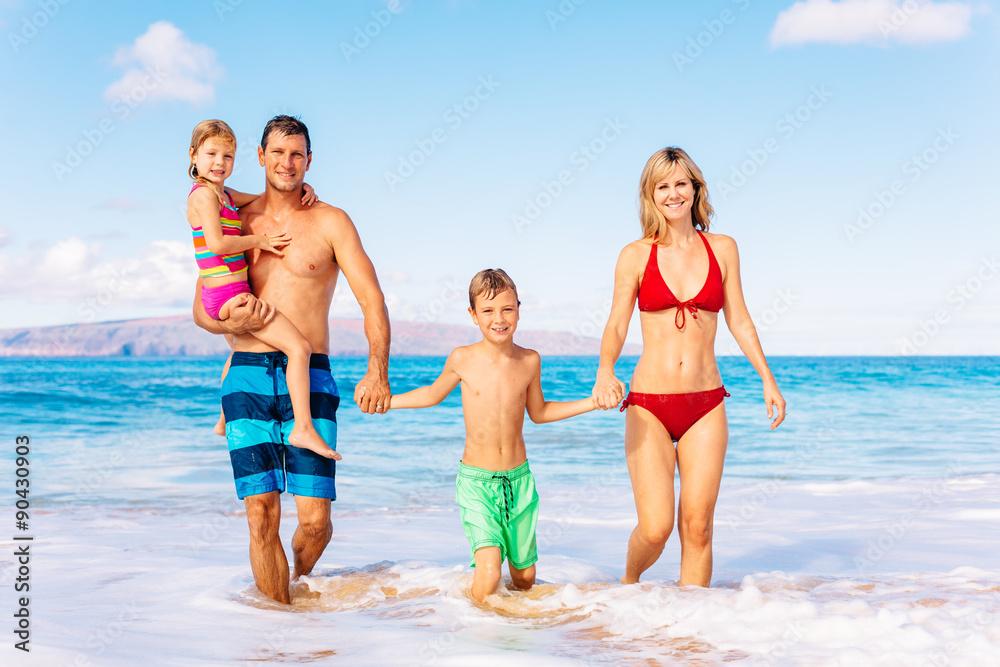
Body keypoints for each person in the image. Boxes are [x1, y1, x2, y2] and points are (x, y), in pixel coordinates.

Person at [192, 115, 391, 604]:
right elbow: (202, 306)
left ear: (308, 161)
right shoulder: (236, 218)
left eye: (297, 154)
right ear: (260, 157)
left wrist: (377, 370)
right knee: (261, 512)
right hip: (246, 376)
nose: (287, 162)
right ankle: (277, 632)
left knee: (315, 522)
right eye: (278, 152)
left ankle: (295, 585)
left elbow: (373, 300)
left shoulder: (330, 221)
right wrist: (228, 324)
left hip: (312, 376)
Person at [592, 147, 786, 587]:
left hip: (706, 404)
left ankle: (692, 639)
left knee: (697, 527)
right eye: (663, 185)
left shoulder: (724, 249)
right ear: (650, 194)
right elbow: (617, 322)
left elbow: (739, 318)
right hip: (649, 405)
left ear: (695, 188)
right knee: (657, 527)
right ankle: (627, 585)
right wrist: (606, 371)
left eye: (682, 183)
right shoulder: (635, 255)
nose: (673, 193)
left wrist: (767, 380)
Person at [388, 269, 597, 602]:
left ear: (518, 309)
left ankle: (513, 634)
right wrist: (387, 402)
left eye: (507, 309)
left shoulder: (530, 360)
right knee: (488, 573)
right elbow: (431, 394)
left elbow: (540, 413)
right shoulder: (463, 358)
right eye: (487, 311)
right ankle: (471, 631)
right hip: (476, 483)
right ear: (473, 315)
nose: (498, 318)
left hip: (519, 482)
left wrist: (591, 402)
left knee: (526, 579)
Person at [186, 119, 336, 459]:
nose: (219, 163)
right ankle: (303, 427)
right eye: (211, 154)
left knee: (236, 352)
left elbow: (265, 198)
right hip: (230, 296)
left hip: (228, 293)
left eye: (227, 156)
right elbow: (219, 243)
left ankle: (224, 418)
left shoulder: (224, 194)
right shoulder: (204, 197)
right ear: (193, 156)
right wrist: (261, 241)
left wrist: (302, 189)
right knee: (298, 347)